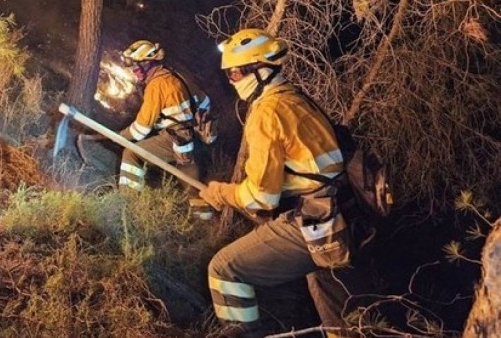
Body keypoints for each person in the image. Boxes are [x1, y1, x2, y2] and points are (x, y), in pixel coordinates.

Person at [200, 28, 361, 337]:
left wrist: (222, 193)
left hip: (316, 220)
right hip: (344, 215)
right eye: (230, 74)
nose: (232, 80)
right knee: (339, 313)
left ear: (260, 70)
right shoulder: (295, 98)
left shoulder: (267, 113)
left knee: (224, 269)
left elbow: (259, 200)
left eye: (235, 73)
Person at [117, 39, 216, 220]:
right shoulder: (177, 75)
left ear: (148, 63)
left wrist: (120, 136)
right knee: (191, 183)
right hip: (196, 138)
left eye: (137, 66)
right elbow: (205, 102)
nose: (133, 70)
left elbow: (141, 129)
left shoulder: (156, 85)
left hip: (176, 139)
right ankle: (206, 222)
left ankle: (128, 206)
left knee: (131, 153)